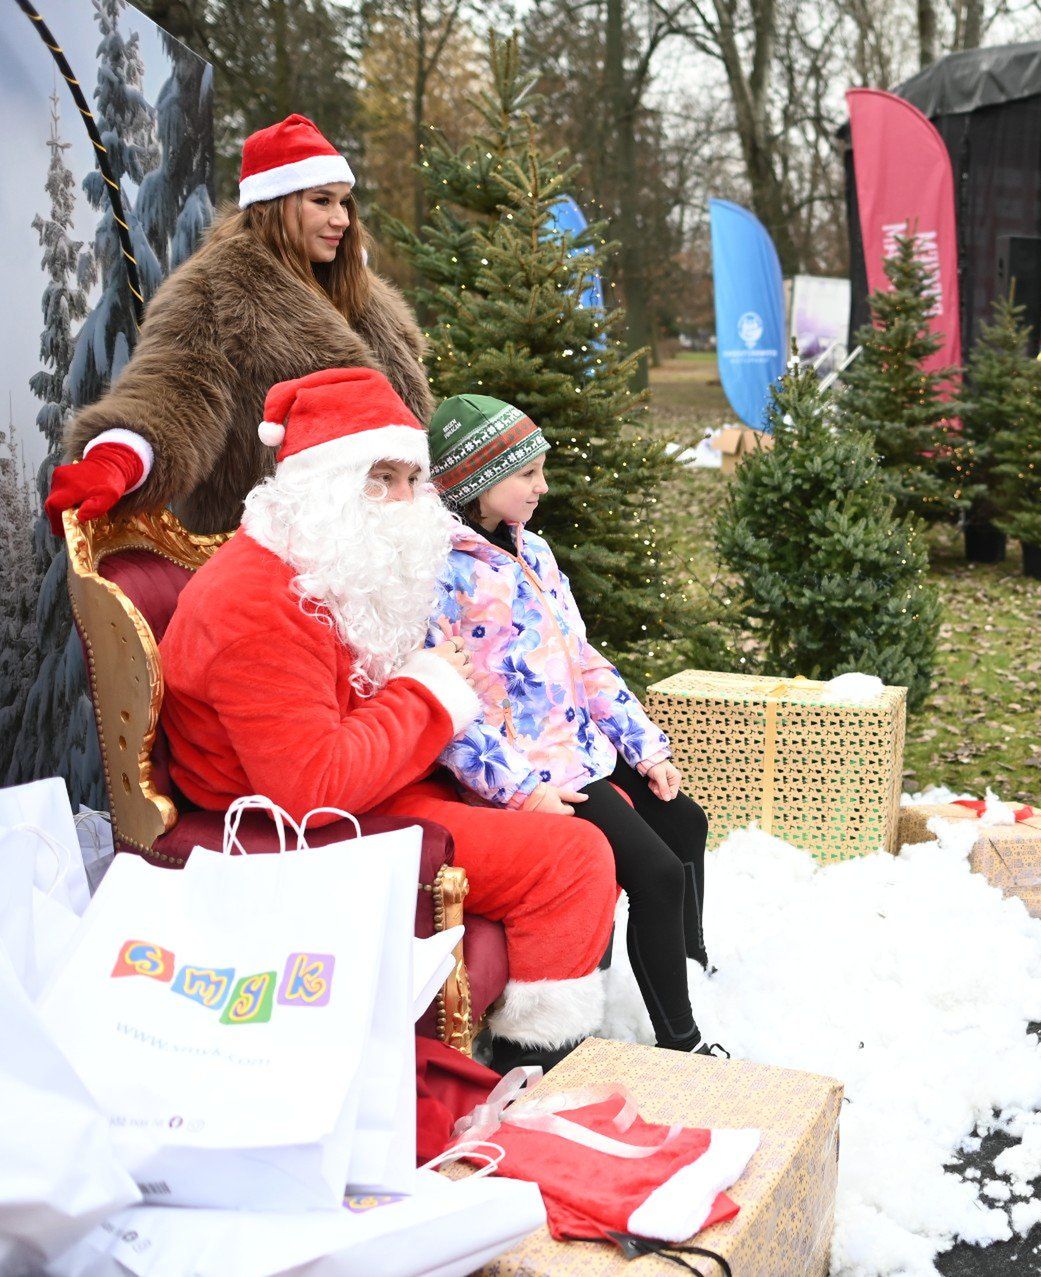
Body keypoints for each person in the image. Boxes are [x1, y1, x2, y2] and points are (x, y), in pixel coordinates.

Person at [158, 367, 619, 1072]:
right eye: (382, 479)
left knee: (558, 821)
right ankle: (529, 1072)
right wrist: (431, 691)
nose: (407, 501)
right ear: (323, 488)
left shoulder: (322, 567)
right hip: (288, 824)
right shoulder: (257, 603)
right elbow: (314, 785)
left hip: (371, 785)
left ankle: (528, 1051)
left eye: (413, 479)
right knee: (574, 859)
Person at [424, 394, 717, 1055]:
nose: (543, 486)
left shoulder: (538, 554)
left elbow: (583, 660)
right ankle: (682, 1041)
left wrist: (645, 749)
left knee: (686, 822)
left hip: (586, 752)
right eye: (528, 473)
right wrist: (524, 790)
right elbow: (448, 709)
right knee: (657, 872)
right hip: (536, 777)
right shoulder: (442, 574)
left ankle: (695, 971)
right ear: (478, 479)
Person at [45, 114, 432, 535]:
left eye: (344, 202)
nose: (341, 218)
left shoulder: (359, 291)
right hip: (268, 544)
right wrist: (118, 459)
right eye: (322, 201)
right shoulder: (214, 287)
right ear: (273, 205)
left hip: (377, 537)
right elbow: (173, 389)